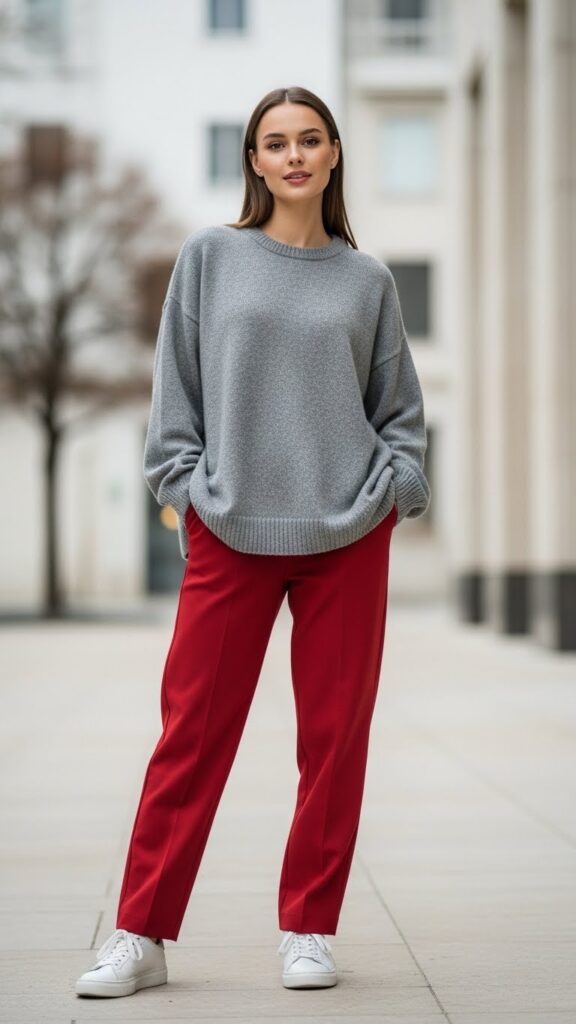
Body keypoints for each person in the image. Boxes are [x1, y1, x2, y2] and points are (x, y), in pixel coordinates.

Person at [75, 84, 430, 999]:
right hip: (230, 527)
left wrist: (396, 487)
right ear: (255, 162)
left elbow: (399, 412)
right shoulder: (211, 258)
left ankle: (308, 926)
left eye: (311, 140)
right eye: (276, 143)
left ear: (335, 154)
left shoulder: (367, 281)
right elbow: (176, 392)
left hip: (348, 531)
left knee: (334, 736)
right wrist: (185, 489)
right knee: (192, 732)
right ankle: (140, 935)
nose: (295, 156)